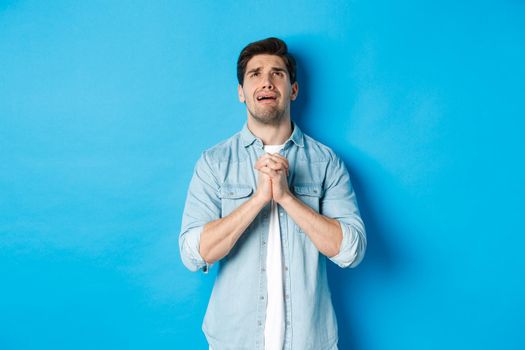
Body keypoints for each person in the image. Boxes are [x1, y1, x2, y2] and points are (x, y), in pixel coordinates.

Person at [179, 37, 366, 350]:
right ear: (241, 92)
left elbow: (351, 250)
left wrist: (287, 198)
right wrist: (258, 201)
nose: (266, 81)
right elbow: (193, 253)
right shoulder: (213, 163)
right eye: (255, 74)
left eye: (277, 73)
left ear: (293, 89)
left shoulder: (326, 162)